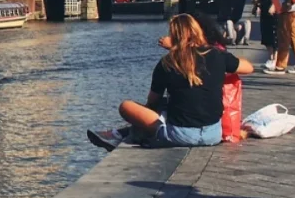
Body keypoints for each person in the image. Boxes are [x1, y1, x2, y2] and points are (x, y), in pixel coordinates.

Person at [88, 14, 254, 151]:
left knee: (126, 106)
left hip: (180, 136)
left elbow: (152, 102)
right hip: (213, 134)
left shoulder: (167, 62)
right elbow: (248, 68)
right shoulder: (217, 55)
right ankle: (123, 133)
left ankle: (123, 133)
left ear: (174, 37)